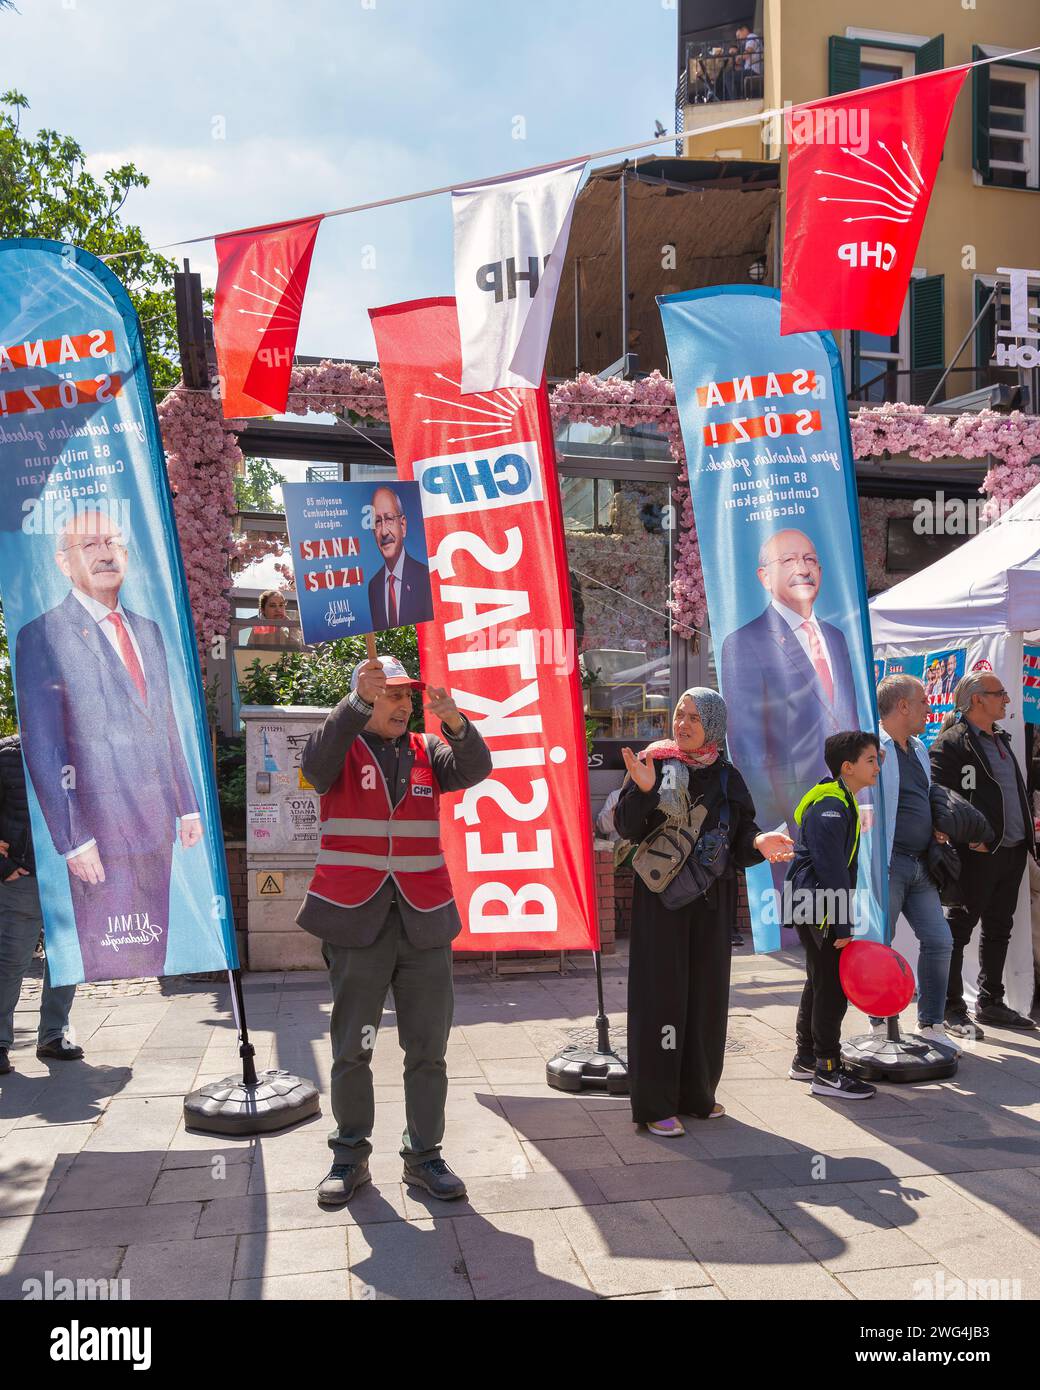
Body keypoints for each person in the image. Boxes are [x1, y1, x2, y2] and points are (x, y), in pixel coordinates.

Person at [298, 654, 492, 1206]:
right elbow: (314, 767)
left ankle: (425, 1156)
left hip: (424, 921)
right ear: (366, 695)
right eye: (392, 694)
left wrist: (453, 720)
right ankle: (349, 1156)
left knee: (428, 1049)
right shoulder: (340, 742)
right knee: (353, 1048)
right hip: (354, 919)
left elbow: (477, 769)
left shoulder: (429, 751)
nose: (405, 705)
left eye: (409, 696)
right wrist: (354, 703)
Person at [15, 510, 204, 982]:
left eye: (113, 542)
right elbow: (44, 748)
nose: (105, 553)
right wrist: (73, 837)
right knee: (114, 960)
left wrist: (187, 806)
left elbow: (165, 723)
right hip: (98, 835)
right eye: (90, 544)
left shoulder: (149, 631)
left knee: (151, 955)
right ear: (63, 561)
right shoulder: (42, 635)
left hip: (156, 827)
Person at [615, 688, 793, 1136]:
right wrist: (640, 790)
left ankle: (697, 1093)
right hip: (662, 901)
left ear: (713, 724)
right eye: (679, 714)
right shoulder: (656, 762)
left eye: (695, 717)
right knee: (661, 998)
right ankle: (656, 1103)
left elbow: (741, 829)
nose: (684, 724)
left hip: (711, 901)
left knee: (706, 996)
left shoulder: (727, 775)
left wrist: (759, 842)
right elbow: (626, 826)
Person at [720, 530, 859, 853]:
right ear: (764, 577)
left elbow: (848, 719)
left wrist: (863, 799)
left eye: (810, 559)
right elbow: (745, 742)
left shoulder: (836, 638)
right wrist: (771, 823)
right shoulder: (745, 642)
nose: (803, 568)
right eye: (789, 560)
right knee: (799, 903)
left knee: (843, 902)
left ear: (821, 571)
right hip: (790, 819)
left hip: (845, 808)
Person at [930, 671, 1038, 1033]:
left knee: (999, 926)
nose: (1007, 701)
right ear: (977, 699)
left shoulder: (1002, 739)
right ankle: (950, 1006)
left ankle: (991, 1001)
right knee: (959, 929)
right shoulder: (952, 744)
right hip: (979, 853)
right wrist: (964, 837)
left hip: (1012, 849)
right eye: (1000, 694)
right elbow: (939, 796)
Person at [786, 730, 881, 1100]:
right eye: (870, 760)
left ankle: (807, 1058)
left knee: (820, 979)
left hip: (814, 903)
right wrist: (842, 921)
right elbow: (831, 868)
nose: (876, 767)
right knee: (832, 987)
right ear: (848, 766)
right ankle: (827, 1070)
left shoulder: (840, 798)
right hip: (820, 905)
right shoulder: (831, 805)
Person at [873, 675, 958, 1052]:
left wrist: (937, 828)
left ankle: (931, 1024)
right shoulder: (874, 748)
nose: (929, 708)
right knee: (881, 946)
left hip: (922, 864)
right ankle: (879, 1024)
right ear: (903, 706)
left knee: (940, 941)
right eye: (922, 701)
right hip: (888, 864)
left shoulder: (920, 747)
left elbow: (921, 797)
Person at [0, 733, 83, 1074]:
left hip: (69, 874)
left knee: (66, 958)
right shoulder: (6, 755)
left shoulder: (76, 749)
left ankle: (53, 1034)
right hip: (25, 875)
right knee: (11, 962)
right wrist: (3, 867)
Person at [366, 486, 433, 629]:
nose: (384, 531)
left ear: (402, 525)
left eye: (389, 519)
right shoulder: (373, 586)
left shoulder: (426, 578)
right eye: (377, 522)